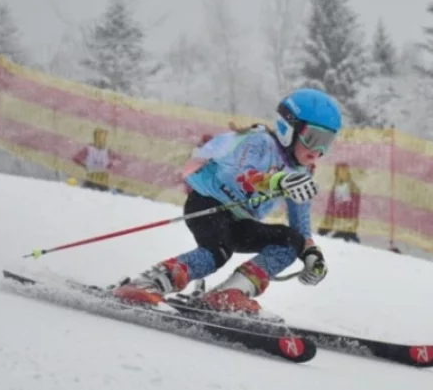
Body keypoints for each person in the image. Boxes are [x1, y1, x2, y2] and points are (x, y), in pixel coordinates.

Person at [114, 88, 342, 315]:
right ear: (288, 127)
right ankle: (148, 283)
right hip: (208, 204)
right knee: (217, 251)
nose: (318, 150)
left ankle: (229, 295)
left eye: (327, 143)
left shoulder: (303, 173)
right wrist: (278, 181)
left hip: (240, 221)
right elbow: (242, 177)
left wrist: (311, 254)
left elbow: (301, 225)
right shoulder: (259, 142)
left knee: (291, 241)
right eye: (314, 138)